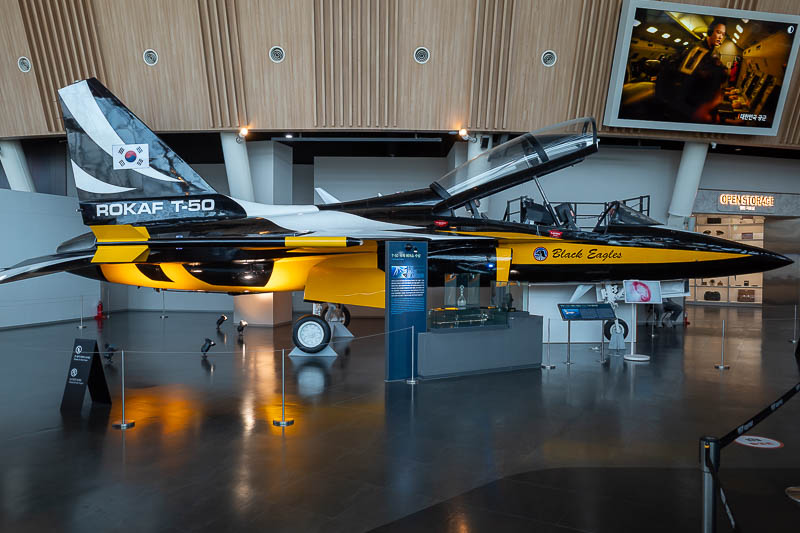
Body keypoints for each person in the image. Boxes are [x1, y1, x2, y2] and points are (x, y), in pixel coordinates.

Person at [654, 19, 729, 123]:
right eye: (718, 32)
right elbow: (684, 83)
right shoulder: (698, 50)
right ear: (710, 32)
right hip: (685, 109)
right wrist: (692, 112)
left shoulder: (712, 52)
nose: (720, 37)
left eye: (723, 34)